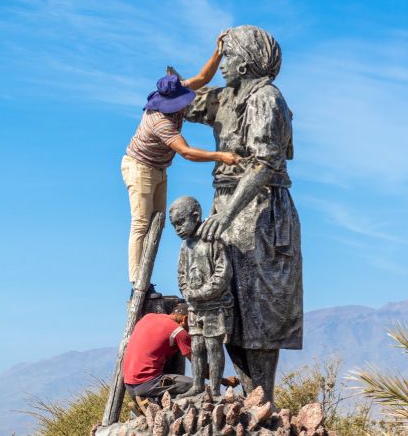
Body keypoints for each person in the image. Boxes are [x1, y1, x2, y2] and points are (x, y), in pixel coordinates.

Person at [183, 25, 302, 402]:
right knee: (226, 304)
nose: (223, 65)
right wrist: (213, 56)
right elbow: (172, 100)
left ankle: (261, 397)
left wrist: (229, 213)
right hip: (227, 207)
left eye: (229, 56)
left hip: (260, 210)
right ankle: (251, 397)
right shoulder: (225, 98)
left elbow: (265, 163)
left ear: (248, 63)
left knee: (259, 309)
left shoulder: (266, 98)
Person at [122, 33, 241, 295]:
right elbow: (186, 152)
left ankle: (146, 278)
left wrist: (217, 52)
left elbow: (202, 79)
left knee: (158, 222)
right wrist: (221, 156)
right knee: (142, 223)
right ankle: (137, 283)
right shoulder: (159, 122)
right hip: (140, 167)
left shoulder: (173, 90)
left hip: (159, 168)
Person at [168, 196, 233, 398]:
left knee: (213, 346)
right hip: (195, 307)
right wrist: (186, 292)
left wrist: (203, 292)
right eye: (174, 225)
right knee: (196, 346)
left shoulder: (214, 240)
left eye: (180, 222)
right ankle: (197, 385)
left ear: (195, 217)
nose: (177, 229)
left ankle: (214, 389)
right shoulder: (185, 247)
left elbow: (223, 271)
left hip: (214, 305)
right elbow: (181, 274)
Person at [122, 303, 194, 398]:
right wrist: (219, 380)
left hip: (129, 384)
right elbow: (199, 365)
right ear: (185, 319)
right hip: (148, 383)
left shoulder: (148, 317)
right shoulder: (179, 332)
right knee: (198, 387)